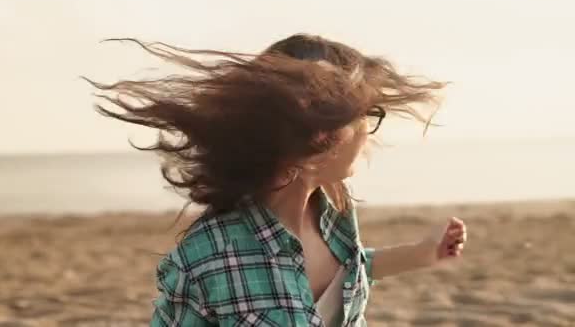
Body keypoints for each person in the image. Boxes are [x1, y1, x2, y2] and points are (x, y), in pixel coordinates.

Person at [88, 34, 467, 326]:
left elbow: (351, 269)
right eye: (365, 114)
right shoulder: (208, 257)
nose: (370, 131)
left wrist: (423, 253)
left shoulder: (334, 214)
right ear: (322, 133)